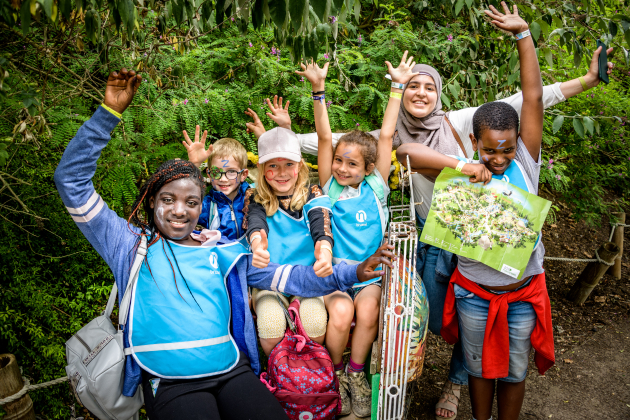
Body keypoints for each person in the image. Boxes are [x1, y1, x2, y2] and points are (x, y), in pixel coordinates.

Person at [289, 36, 614, 420]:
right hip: (437, 239)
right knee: (428, 322)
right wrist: (279, 141)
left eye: (430, 86)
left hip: (491, 258)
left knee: (493, 347)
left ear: (440, 94)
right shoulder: (382, 141)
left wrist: (588, 80)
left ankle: (454, 384)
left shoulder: (463, 123)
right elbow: (328, 142)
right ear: (402, 90)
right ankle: (403, 386)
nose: (421, 92)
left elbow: (528, 100)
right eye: (413, 85)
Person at [53, 67, 396, 420]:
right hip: (170, 380)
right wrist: (107, 114)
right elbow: (71, 182)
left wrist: (353, 271)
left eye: (190, 202)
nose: (178, 211)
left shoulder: (225, 251)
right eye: (168, 199)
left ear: (202, 206)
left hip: (231, 370)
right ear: (151, 200)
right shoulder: (129, 247)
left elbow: (292, 278)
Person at [397, 4, 553, 420]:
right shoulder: (466, 169)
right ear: (473, 140)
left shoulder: (525, 161)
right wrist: (463, 165)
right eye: (489, 149)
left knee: (515, 370)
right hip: (473, 291)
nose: (499, 158)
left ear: (519, 140)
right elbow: (405, 151)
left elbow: (533, 95)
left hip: (522, 291)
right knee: (480, 368)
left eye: (506, 147)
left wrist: (523, 35)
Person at [293, 53, 417, 417]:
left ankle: (356, 373)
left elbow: (389, 134)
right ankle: (331, 373)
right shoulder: (329, 187)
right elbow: (324, 135)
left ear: (367, 168)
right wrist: (318, 90)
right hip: (334, 275)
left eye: (352, 164)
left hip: (370, 275)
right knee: (343, 313)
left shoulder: (377, 188)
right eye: (339, 160)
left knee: (367, 311)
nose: (343, 167)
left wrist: (397, 87)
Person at [243, 126, 335, 355]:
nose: (282, 172)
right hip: (269, 279)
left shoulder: (313, 192)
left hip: (307, 277)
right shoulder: (255, 195)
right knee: (270, 323)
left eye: (288, 165)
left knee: (315, 322)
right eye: (273, 166)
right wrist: (257, 246)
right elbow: (256, 224)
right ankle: (279, 370)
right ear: (262, 170)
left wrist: (324, 252)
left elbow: (320, 224)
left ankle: (310, 370)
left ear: (300, 165)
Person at [182, 128, 249, 242]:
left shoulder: (252, 198)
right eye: (216, 172)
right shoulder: (207, 205)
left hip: (249, 257)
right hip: (218, 257)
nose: (223, 179)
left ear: (243, 174)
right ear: (208, 173)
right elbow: (183, 206)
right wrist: (194, 165)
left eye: (231, 171)